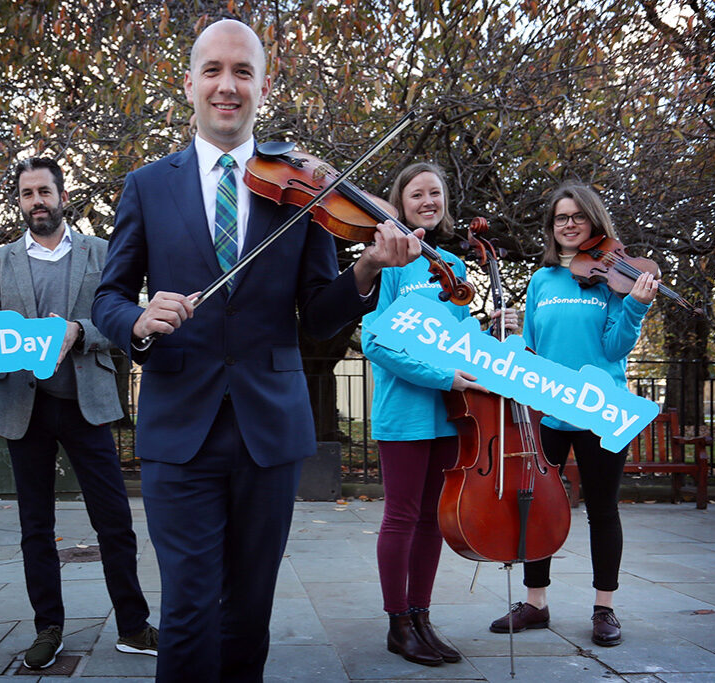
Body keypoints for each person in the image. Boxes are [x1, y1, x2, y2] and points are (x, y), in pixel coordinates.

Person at [91, 18, 423, 682]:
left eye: (242, 72)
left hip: (269, 430)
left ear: (262, 87)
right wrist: (137, 317)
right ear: (188, 84)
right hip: (178, 428)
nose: (227, 85)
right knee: (186, 611)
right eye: (213, 70)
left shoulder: (304, 188)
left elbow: (321, 314)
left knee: (249, 614)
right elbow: (107, 299)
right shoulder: (146, 185)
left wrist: (363, 273)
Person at [0, 157, 157, 670]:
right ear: (19, 202)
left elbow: (122, 316)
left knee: (114, 521)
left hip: (87, 404)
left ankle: (133, 625)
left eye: (44, 191)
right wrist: (19, 340)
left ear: (62, 195)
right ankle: (47, 628)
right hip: (22, 407)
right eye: (27, 193)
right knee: (36, 526)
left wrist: (78, 330)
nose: (37, 201)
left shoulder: (101, 252)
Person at [361, 163, 518, 666]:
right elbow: (375, 340)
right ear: (401, 203)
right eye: (416, 194)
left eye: (436, 193)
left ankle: (422, 617)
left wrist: (491, 328)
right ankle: (397, 624)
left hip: (452, 414)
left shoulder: (454, 264)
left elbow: (457, 343)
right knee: (402, 516)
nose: (427, 201)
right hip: (405, 410)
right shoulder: (387, 260)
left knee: (433, 519)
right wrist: (442, 377)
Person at [487, 182, 657, 647]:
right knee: (536, 504)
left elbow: (615, 347)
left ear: (593, 222)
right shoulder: (542, 280)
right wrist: (512, 337)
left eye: (577, 217)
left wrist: (637, 308)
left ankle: (605, 608)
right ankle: (535, 603)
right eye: (560, 218)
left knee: (602, 510)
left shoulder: (614, 278)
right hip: (548, 408)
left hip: (601, 408)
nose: (568, 224)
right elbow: (537, 348)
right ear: (551, 227)